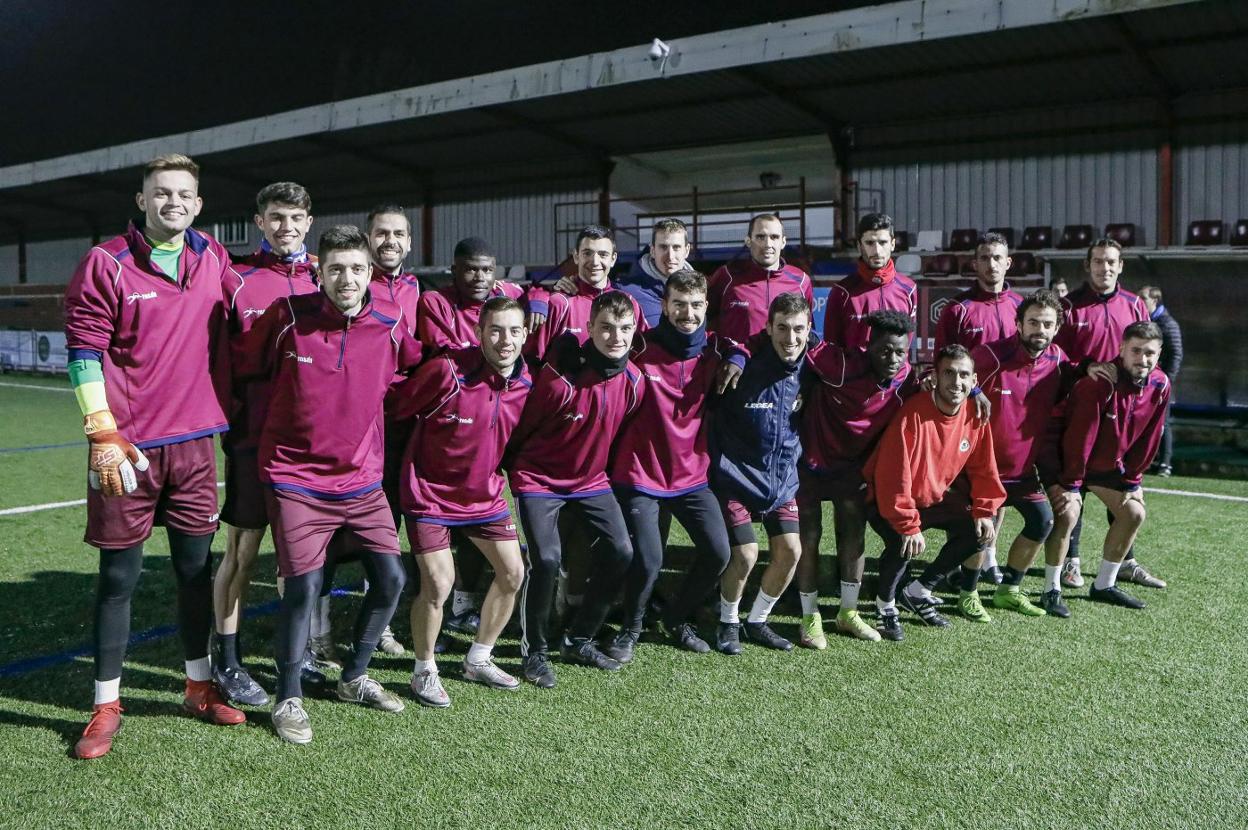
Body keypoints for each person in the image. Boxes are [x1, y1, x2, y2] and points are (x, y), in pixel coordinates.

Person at [65, 153, 244, 760]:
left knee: (196, 573)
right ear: (141, 200)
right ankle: (105, 704)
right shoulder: (106, 262)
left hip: (195, 446)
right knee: (120, 578)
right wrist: (101, 432)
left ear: (199, 203)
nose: (174, 202)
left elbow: (258, 308)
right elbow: (84, 351)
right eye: (161, 192)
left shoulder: (213, 256)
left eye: (184, 194)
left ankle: (198, 686)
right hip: (127, 448)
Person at [238, 225, 423, 744]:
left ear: (371, 273)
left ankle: (354, 676)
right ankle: (289, 696)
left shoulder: (389, 326)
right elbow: (246, 370)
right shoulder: (287, 317)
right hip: (295, 479)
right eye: (336, 268)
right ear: (319, 270)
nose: (347, 278)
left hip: (362, 482)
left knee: (391, 580)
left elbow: (413, 366)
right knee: (304, 589)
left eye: (357, 269)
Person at [390, 297, 531, 706]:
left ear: (525, 334)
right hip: (429, 496)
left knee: (512, 573)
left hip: (484, 497)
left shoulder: (526, 384)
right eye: (496, 330)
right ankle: (424, 670)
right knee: (438, 583)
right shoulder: (447, 371)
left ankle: (479, 658)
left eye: (514, 331)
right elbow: (395, 410)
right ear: (479, 332)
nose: (505, 340)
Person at [213, 181, 319, 706]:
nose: (286, 227)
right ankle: (226, 658)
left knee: (297, 559)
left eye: (296, 217)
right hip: (253, 439)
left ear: (309, 220)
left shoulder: (330, 276)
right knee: (243, 550)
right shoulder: (237, 279)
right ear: (260, 222)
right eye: (276, 217)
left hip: (312, 446)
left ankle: (298, 655)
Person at [506, 292, 644, 687]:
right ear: (589, 329)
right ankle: (535, 652)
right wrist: (520, 475)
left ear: (634, 332)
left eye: (624, 329)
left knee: (622, 551)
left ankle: (578, 638)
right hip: (538, 480)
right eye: (605, 327)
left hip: (591, 482)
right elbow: (523, 431)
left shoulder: (635, 382)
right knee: (546, 559)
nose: (615, 337)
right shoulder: (560, 379)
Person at [606, 269, 733, 661]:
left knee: (718, 552)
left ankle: (675, 618)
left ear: (706, 307)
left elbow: (751, 346)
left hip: (691, 476)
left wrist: (740, 358)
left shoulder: (716, 353)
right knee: (649, 559)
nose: (687, 313)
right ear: (663, 305)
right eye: (678, 304)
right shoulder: (639, 348)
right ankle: (631, 627)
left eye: (695, 305)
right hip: (640, 474)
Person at [415, 236, 527, 636]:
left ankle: (464, 610)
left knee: (489, 540)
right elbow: (452, 353)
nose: (479, 276)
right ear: (454, 269)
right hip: (441, 419)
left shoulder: (509, 300)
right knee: (429, 561)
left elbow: (517, 338)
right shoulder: (435, 303)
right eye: (470, 268)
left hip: (488, 420)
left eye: (486, 269)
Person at [794, 310, 920, 647]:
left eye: (900, 352)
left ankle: (848, 613)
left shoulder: (907, 379)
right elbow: (805, 342)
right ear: (868, 346)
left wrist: (975, 390)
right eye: (884, 351)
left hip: (851, 469)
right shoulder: (841, 364)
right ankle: (809, 616)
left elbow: (942, 388)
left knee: (853, 533)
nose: (892, 359)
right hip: (809, 462)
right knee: (809, 537)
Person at [863, 345, 1006, 641]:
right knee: (904, 544)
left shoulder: (975, 414)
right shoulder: (913, 413)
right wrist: (908, 525)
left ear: (974, 379)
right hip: (885, 500)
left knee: (978, 533)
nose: (956, 382)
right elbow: (893, 477)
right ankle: (885, 606)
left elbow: (984, 469)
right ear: (935, 377)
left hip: (930, 499)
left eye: (964, 375)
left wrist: (984, 510)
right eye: (949, 374)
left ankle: (918, 591)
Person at [971, 290, 1090, 619]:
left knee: (1043, 522)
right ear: (1018, 324)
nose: (1040, 329)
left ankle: (1009, 589)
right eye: (1033, 322)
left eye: (1047, 324)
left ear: (1056, 328)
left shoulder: (1057, 360)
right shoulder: (992, 355)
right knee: (978, 534)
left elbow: (1077, 377)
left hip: (1023, 471)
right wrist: (977, 390)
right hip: (985, 468)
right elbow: (957, 375)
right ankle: (965, 590)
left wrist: (1092, 368)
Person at [1051, 240, 1155, 590]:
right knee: (1075, 484)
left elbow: (1146, 346)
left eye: (1111, 262)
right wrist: (1086, 367)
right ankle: (1071, 562)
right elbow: (1054, 357)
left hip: (1124, 414)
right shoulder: (1069, 308)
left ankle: (1126, 561)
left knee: (1123, 484)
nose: (1104, 268)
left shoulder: (1135, 304)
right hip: (1078, 411)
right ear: (1087, 265)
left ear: (1120, 266)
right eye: (1098, 262)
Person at [1045, 322, 1170, 612]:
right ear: (1121, 349)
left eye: (1150, 353)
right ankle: (1051, 589)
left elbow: (1151, 435)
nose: (1143, 359)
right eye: (1136, 351)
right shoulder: (1100, 382)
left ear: (1159, 353)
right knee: (1068, 514)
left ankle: (1104, 584)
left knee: (1134, 513)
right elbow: (1079, 437)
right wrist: (1072, 484)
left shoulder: (1160, 384)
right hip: (1071, 461)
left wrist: (1133, 480)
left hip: (1108, 468)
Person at [710, 294, 810, 654]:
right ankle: (728, 621)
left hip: (781, 481)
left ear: (809, 330)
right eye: (781, 328)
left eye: (799, 329)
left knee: (790, 551)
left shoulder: (812, 367)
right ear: (767, 328)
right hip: (736, 477)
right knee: (747, 554)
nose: (790, 338)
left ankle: (758, 621)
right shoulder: (743, 366)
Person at [524, 225, 643, 363]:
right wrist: (539, 294)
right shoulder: (559, 304)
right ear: (576, 256)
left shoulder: (629, 303)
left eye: (603, 254)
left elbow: (642, 355)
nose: (595, 261)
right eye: (587, 253)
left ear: (613, 259)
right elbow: (532, 361)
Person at [706, 213, 813, 349]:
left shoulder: (801, 281)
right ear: (748, 241)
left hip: (782, 368)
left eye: (774, 237)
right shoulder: (727, 276)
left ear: (783, 242)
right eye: (760, 237)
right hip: (738, 367)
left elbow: (807, 331)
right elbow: (703, 321)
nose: (768, 244)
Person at [823, 213, 917, 349]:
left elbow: (905, 347)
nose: (877, 251)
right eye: (870, 243)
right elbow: (831, 350)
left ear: (893, 244)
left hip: (895, 371)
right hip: (855, 371)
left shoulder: (909, 289)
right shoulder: (842, 292)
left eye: (883, 242)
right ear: (859, 246)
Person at [1139, 286, 1183, 477]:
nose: (1140, 302)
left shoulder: (1167, 324)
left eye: (1143, 298)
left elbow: (1176, 353)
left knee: (1163, 421)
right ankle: (1148, 460)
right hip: (1146, 381)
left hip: (1160, 382)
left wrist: (1167, 379)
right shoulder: (1148, 322)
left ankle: (1165, 464)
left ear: (1154, 301)